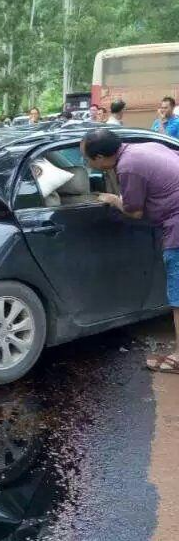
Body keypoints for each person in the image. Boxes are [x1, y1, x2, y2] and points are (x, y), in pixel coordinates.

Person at [80, 128, 179, 372]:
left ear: (101, 158)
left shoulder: (128, 167)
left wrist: (112, 199)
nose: (86, 163)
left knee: (178, 296)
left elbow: (134, 211)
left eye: (87, 159)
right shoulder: (147, 146)